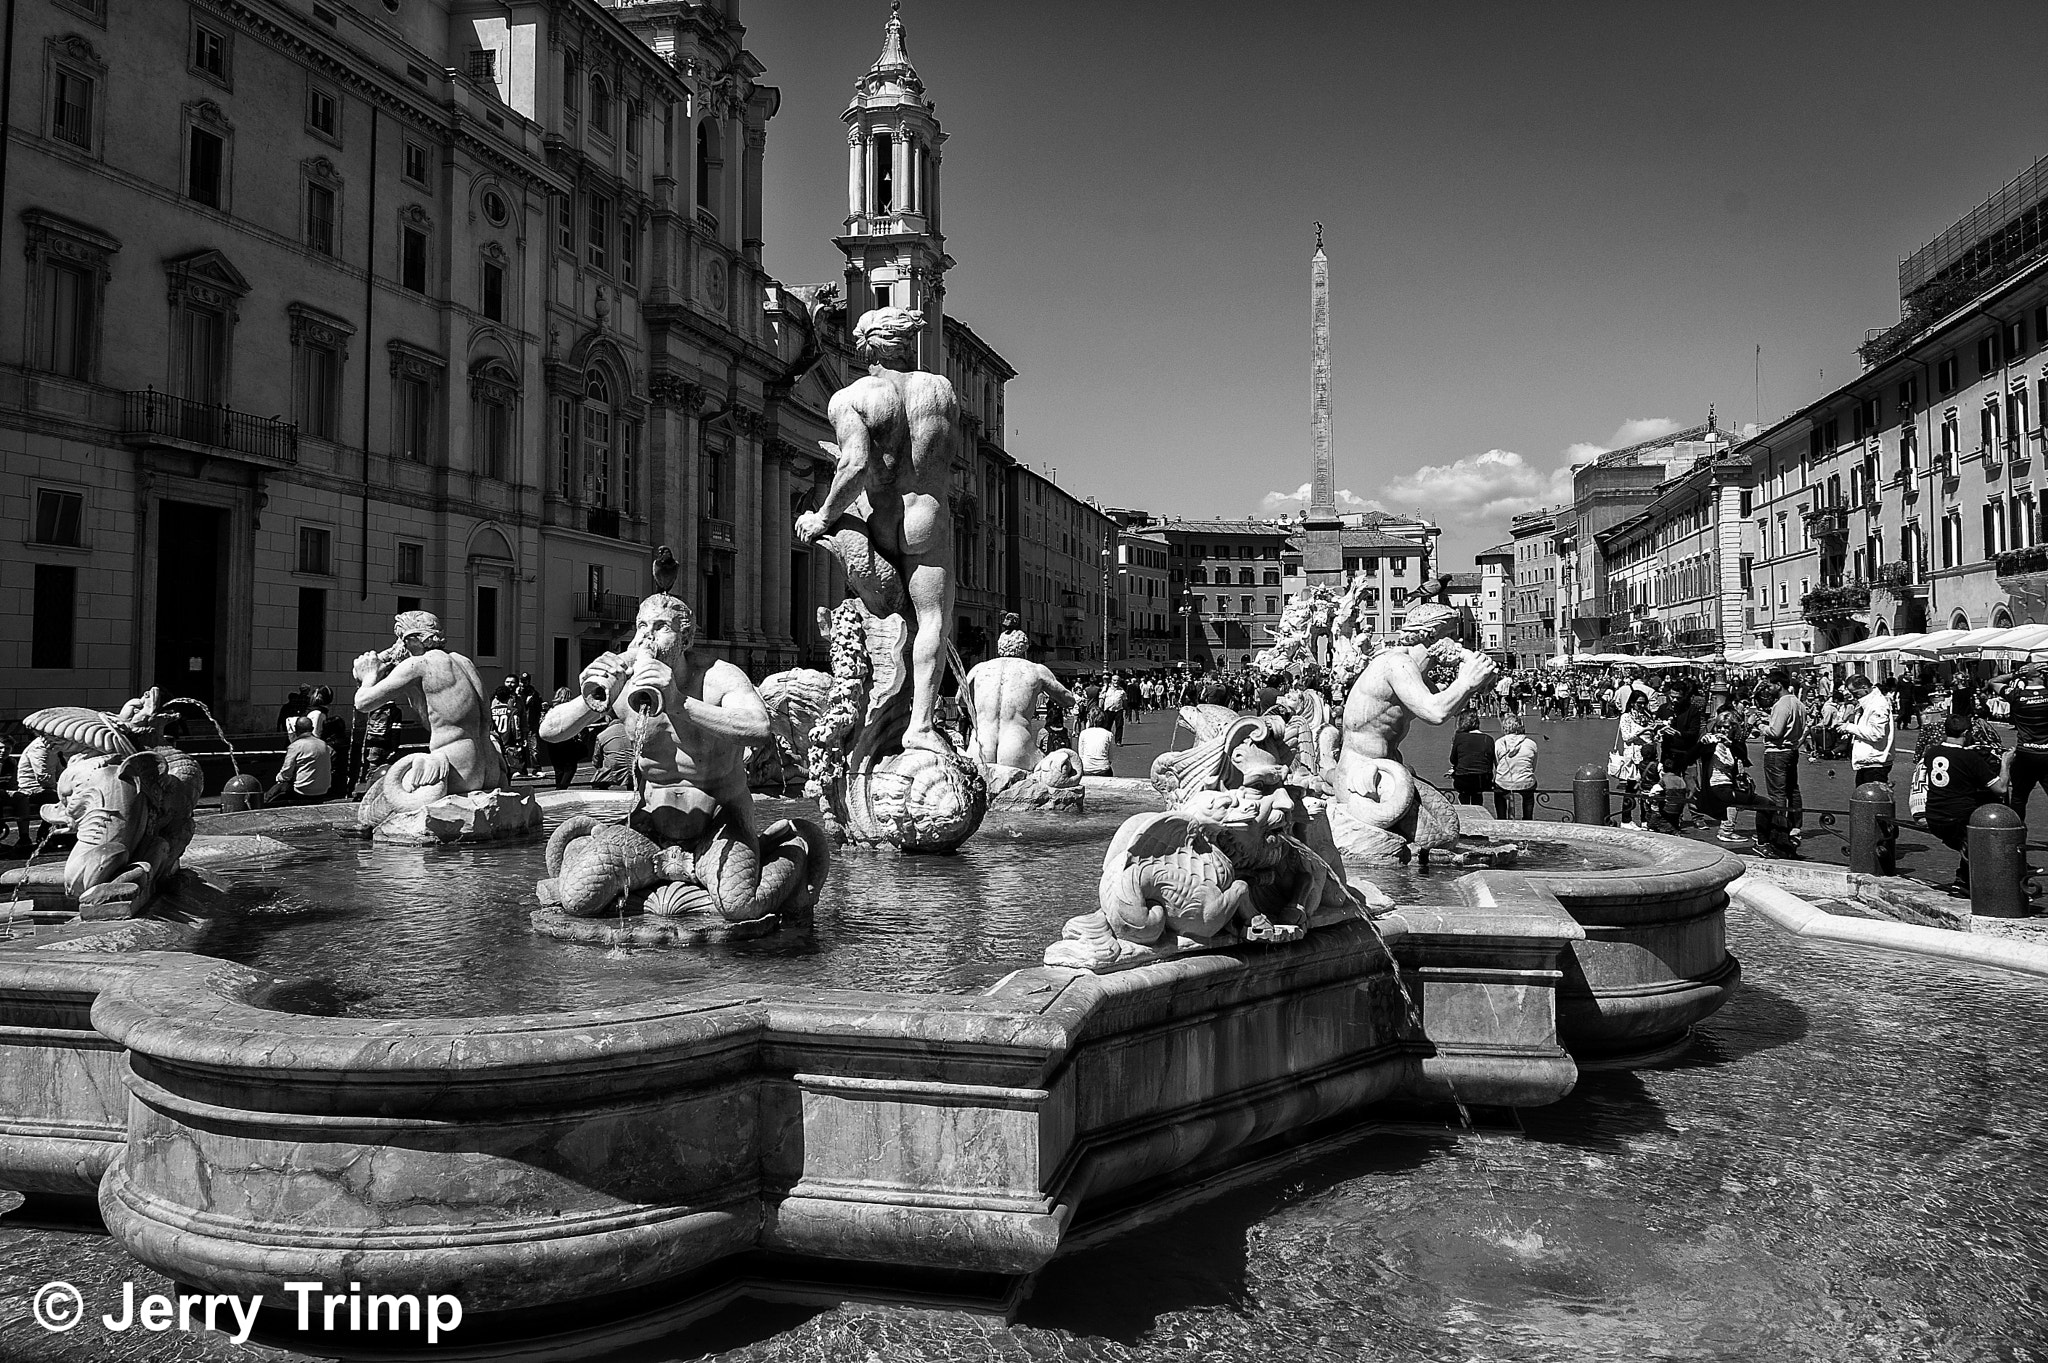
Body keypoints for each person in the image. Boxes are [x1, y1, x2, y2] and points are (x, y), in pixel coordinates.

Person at [795, 307, 961, 757]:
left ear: (866, 345)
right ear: (908, 343)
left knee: (884, 613)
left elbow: (853, 464)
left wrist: (824, 516)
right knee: (932, 622)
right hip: (928, 517)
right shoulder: (941, 391)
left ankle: (876, 711)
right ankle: (920, 726)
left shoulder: (851, 396)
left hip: (884, 521)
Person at [960, 622, 1080, 772]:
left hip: (979, 750)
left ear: (999, 647)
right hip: (1017, 750)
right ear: (1024, 648)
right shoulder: (1036, 670)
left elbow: (960, 700)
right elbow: (1068, 700)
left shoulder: (979, 669)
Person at [1922, 714, 2012, 894]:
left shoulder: (1931, 753)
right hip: (1957, 818)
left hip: (1933, 815)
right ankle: (1973, 881)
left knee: (1970, 833)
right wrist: (2006, 763)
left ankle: (1963, 878)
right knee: (1985, 828)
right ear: (1966, 732)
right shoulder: (1970, 757)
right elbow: (2001, 788)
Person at [1756, 670, 1806, 855]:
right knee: (1792, 790)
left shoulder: (1782, 704)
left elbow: (1775, 732)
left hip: (1777, 752)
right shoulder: (1797, 703)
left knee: (1777, 794)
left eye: (1769, 685)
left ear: (1779, 685)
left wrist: (1760, 726)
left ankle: (1779, 833)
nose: (1767, 689)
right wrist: (1768, 719)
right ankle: (1795, 826)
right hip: (1791, 750)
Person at [2003, 668, 2048, 821]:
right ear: (2041, 676)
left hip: (2025, 753)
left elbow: (1993, 682)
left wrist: (2015, 675)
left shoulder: (2016, 695)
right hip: (2046, 754)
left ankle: (2016, 837)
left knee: (2019, 798)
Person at [1842, 674, 1895, 793]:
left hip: (1875, 763)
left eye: (1855, 693)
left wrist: (1850, 728)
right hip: (1868, 763)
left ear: (1865, 687)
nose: (1854, 696)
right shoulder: (1866, 703)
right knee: (1862, 800)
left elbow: (1877, 733)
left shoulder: (1878, 705)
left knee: (1871, 802)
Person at [266, 716, 333, 806]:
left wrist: (279, 778)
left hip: (303, 791)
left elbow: (286, 773)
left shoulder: (296, 746)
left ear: (296, 730)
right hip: (323, 790)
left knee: (275, 792)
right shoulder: (324, 744)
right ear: (312, 729)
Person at [1612, 691, 1656, 829]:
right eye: (1639, 703)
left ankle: (1645, 819)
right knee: (1631, 789)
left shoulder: (1647, 715)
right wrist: (1644, 730)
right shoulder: (1626, 717)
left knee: (1647, 789)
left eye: (1644, 703)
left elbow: (1651, 735)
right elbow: (1626, 737)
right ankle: (1626, 820)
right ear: (1632, 703)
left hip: (1648, 756)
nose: (1642, 706)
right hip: (1633, 757)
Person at [540, 686, 586, 790]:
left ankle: (559, 787)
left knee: (558, 767)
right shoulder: (570, 710)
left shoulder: (551, 710)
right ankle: (562, 787)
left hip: (553, 741)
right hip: (567, 739)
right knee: (570, 766)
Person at [1492, 714, 1537, 820]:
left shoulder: (1499, 743)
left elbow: (1497, 764)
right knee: (1528, 796)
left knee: (1499, 794)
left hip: (1503, 781)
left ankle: (1501, 819)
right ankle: (1528, 819)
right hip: (1525, 781)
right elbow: (1533, 766)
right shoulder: (1531, 744)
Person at [1448, 712, 1495, 807]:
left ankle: (1464, 812)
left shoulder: (1459, 737)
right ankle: (1478, 809)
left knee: (1464, 793)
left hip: (1463, 779)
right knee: (1477, 794)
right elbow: (1490, 763)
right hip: (1482, 780)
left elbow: (1453, 760)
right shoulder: (1489, 739)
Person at [491, 678, 528, 777]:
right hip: (508, 741)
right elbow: (515, 727)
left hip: (495, 740)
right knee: (508, 767)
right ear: (508, 698)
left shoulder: (491, 710)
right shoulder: (512, 711)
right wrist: (519, 740)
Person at [589, 718, 633, 789]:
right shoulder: (633, 731)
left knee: (597, 784)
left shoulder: (602, 735)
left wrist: (600, 767)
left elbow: (596, 759)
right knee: (634, 783)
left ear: (608, 719)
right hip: (635, 768)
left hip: (613, 769)